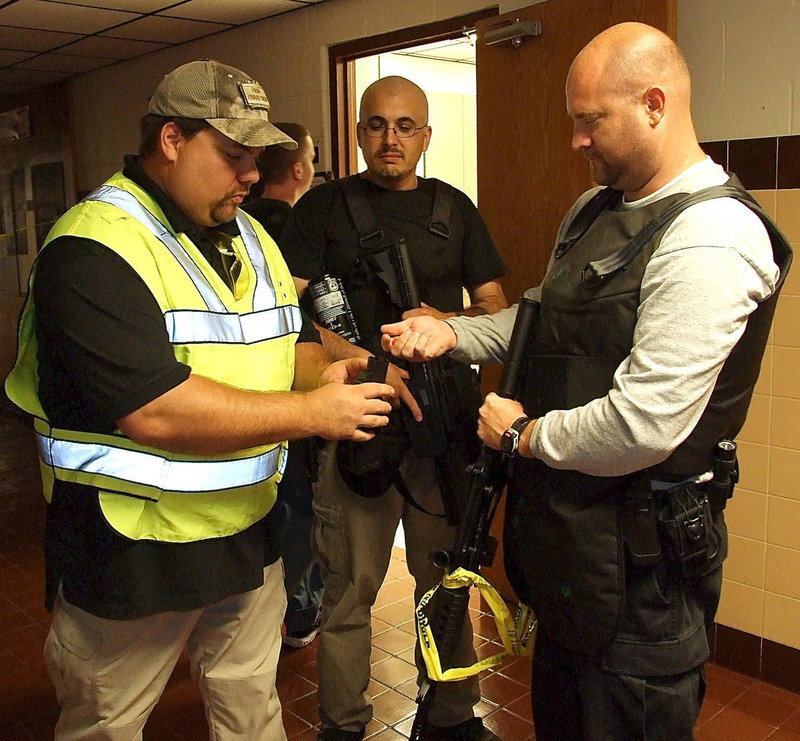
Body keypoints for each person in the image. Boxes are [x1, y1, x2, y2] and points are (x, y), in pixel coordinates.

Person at [381, 23, 792, 741]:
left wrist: (519, 433)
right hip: (572, 557)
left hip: (643, 577)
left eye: (589, 120)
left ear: (655, 105)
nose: (575, 139)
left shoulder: (712, 235)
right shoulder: (593, 209)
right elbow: (541, 322)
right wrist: (453, 333)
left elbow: (644, 423)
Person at [4, 59, 393, 741]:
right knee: (107, 723)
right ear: (173, 140)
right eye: (234, 156)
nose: (251, 175)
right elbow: (155, 407)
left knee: (251, 710)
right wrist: (310, 414)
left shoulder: (253, 238)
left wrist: (347, 366)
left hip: (247, 536)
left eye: (258, 159)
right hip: (131, 550)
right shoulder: (92, 248)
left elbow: (284, 351)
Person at [279, 75, 508, 741]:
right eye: (377, 124)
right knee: (349, 590)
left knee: (446, 581)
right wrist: (353, 355)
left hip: (443, 427)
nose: (391, 138)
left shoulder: (455, 209)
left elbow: (495, 304)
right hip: (359, 422)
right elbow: (283, 310)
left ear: (426, 136)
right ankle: (344, 725)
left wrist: (448, 319)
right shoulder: (322, 210)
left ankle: (450, 718)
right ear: (357, 133)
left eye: (406, 126)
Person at [244, 122, 325, 649]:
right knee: (299, 506)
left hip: (244, 401)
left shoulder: (234, 230)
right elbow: (311, 322)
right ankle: (300, 613)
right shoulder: (301, 233)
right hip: (297, 398)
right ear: (298, 169)